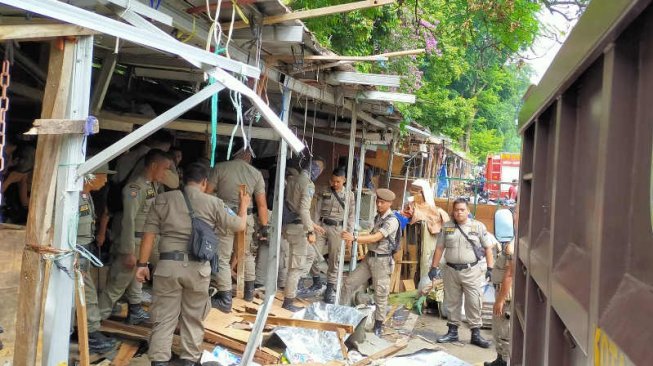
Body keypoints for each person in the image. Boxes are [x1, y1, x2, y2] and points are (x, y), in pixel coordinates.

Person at [135, 162, 248, 365]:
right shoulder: (213, 203)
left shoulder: (161, 200)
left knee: (164, 318)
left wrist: (142, 265)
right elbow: (239, 225)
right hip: (198, 271)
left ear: (183, 179)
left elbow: (149, 235)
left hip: (168, 268)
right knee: (193, 318)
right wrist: (244, 206)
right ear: (204, 182)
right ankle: (189, 360)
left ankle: (159, 361)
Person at [99, 149, 173, 324]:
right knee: (117, 285)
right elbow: (128, 220)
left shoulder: (152, 186)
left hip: (145, 241)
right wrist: (128, 250)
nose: (166, 173)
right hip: (134, 241)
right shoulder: (135, 188)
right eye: (164, 169)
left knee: (136, 278)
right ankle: (92, 324)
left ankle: (135, 310)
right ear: (154, 166)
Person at [207, 146, 269, 311]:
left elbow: (206, 193)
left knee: (222, 258)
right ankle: (249, 293)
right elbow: (262, 205)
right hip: (246, 217)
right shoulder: (256, 174)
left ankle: (225, 297)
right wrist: (264, 227)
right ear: (248, 156)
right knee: (246, 254)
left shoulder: (220, 168)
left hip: (224, 216)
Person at [428, 198, 494, 348]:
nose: (459, 213)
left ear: (468, 211)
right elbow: (439, 248)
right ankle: (452, 332)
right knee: (452, 302)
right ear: (453, 211)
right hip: (451, 271)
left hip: (471, 271)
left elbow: (488, 248)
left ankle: (476, 335)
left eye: (462, 210)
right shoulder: (447, 227)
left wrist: (490, 268)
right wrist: (433, 267)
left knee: (473, 302)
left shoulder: (478, 227)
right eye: (456, 210)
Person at [340, 188, 399, 336]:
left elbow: (375, 238)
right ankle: (341, 313)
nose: (379, 205)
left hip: (382, 261)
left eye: (382, 203)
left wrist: (354, 239)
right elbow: (370, 234)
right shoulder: (378, 217)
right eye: (378, 202)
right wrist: (355, 235)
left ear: (390, 203)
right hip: (369, 258)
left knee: (380, 293)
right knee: (349, 282)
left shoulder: (392, 221)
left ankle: (378, 324)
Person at [77, 162, 118, 354]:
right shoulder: (75, 197)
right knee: (86, 293)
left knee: (85, 292)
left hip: (84, 249)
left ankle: (87, 331)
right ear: (91, 176)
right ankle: (90, 333)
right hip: (75, 252)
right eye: (104, 175)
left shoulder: (87, 196)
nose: (106, 180)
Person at [281, 157, 326, 311]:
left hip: (290, 224)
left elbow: (294, 207)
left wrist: (313, 225)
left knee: (310, 255)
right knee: (296, 266)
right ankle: (288, 301)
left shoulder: (292, 179)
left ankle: (295, 284)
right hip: (298, 228)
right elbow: (303, 210)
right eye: (319, 172)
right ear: (315, 170)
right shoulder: (308, 184)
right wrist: (311, 231)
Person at [312, 168, 355, 303]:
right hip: (322, 227)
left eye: (338, 181)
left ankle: (329, 290)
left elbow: (351, 216)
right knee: (312, 254)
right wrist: (314, 226)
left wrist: (350, 233)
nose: (335, 184)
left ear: (344, 180)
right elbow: (317, 211)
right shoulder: (325, 191)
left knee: (334, 260)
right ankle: (317, 281)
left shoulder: (349, 195)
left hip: (338, 229)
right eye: (333, 181)